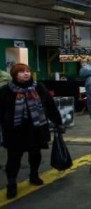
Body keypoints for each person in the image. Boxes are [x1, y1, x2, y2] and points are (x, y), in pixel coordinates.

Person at [0, 63, 63, 199]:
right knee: (14, 158)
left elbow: (50, 105)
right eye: (22, 72)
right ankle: (12, 183)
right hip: (15, 130)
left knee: (35, 154)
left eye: (28, 71)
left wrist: (58, 121)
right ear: (14, 75)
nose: (26, 74)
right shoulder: (6, 91)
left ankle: (34, 175)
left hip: (36, 128)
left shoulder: (38, 88)